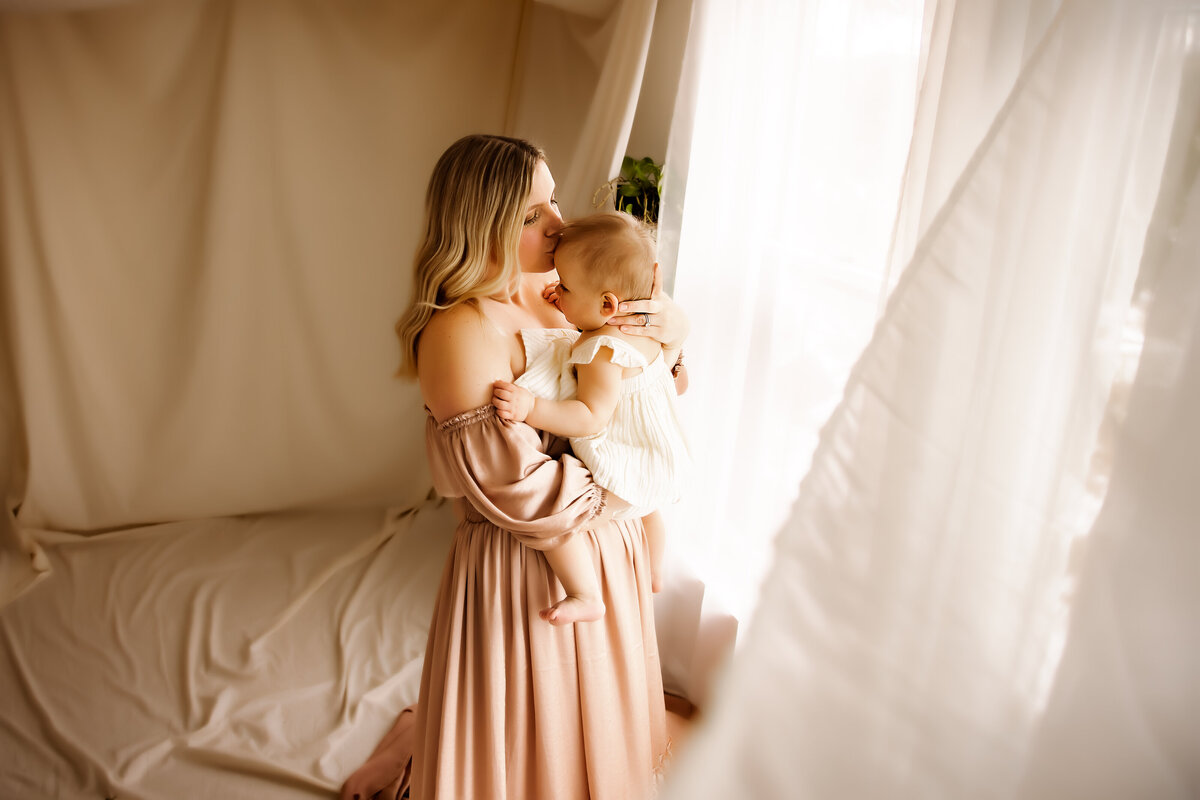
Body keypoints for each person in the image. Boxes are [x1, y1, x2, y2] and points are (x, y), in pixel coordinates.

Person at [339, 134, 688, 800]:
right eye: (532, 215)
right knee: (534, 735)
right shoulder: (461, 330)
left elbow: (645, 391)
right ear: (484, 225)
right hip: (529, 562)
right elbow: (516, 487)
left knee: (599, 728)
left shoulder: (562, 292)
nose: (558, 226)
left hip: (602, 539)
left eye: (552, 202)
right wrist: (625, 495)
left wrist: (669, 332)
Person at [491, 211, 689, 626]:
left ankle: (585, 594)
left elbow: (590, 418)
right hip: (657, 459)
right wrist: (569, 301)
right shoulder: (644, 334)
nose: (557, 293)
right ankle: (652, 571)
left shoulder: (600, 350)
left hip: (623, 462)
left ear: (606, 304)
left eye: (564, 286)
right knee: (648, 509)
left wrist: (531, 407)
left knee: (553, 515)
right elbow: (667, 380)